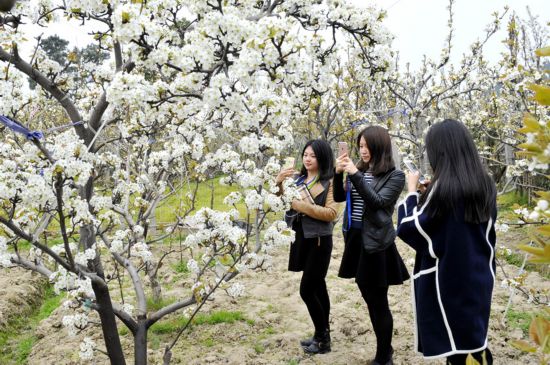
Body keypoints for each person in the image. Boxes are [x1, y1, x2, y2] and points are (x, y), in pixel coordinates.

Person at [396, 119, 497, 364]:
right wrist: (431, 194)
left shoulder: (444, 189)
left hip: (450, 280)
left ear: (439, 152)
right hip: (479, 274)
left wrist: (411, 193)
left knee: (455, 347)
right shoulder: (485, 184)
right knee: (474, 339)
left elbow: (411, 228)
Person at [333, 126, 410, 365]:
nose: (362, 151)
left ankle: (384, 355)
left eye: (367, 146)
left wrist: (355, 173)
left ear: (380, 146)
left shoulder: (395, 176)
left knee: (378, 300)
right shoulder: (361, 171)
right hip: (356, 240)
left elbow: (378, 203)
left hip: (377, 244)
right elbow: (338, 197)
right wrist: (338, 174)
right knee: (369, 297)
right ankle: (385, 351)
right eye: (360, 146)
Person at [276, 139, 339, 354]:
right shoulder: (298, 179)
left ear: (322, 158)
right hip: (302, 237)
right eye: (305, 155)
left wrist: (300, 205)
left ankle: (322, 338)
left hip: (320, 240)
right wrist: (279, 183)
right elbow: (280, 202)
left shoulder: (330, 182)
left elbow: (331, 214)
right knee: (319, 287)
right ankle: (322, 335)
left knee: (307, 289)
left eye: (312, 155)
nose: (307, 158)